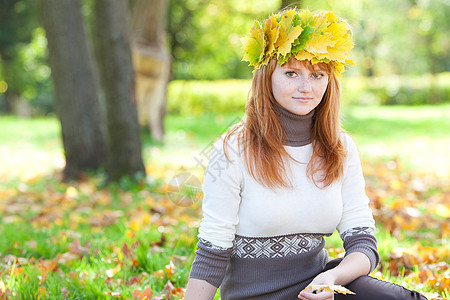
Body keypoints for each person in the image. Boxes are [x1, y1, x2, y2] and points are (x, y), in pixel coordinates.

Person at [184, 8, 428, 300]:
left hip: (318, 290)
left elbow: (364, 244)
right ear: (267, 75)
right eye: (291, 73)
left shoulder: (340, 147)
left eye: (317, 75)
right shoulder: (232, 149)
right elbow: (212, 252)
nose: (305, 87)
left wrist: (331, 277)